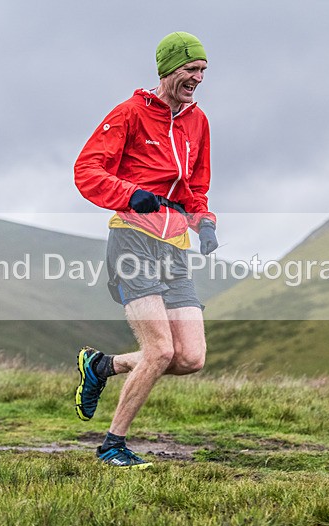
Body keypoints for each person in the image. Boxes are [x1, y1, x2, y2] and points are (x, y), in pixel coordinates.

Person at [73, 31, 218, 469]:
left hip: (174, 246)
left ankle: (102, 366)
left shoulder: (198, 122)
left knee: (189, 357)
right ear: (169, 69)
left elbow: (196, 185)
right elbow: (87, 171)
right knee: (159, 351)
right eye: (191, 69)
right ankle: (111, 446)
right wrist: (128, 193)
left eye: (203, 71)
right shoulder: (130, 113)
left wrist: (205, 222)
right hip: (132, 239)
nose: (198, 78)